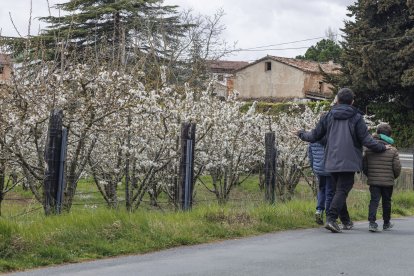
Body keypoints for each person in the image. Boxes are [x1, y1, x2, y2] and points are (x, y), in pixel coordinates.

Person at [295, 87, 387, 233]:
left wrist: (300, 133)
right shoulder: (356, 118)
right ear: (352, 101)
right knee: (343, 190)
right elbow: (366, 140)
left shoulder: (327, 116)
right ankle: (331, 219)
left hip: (331, 160)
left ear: (337, 100)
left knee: (339, 190)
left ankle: (346, 221)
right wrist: (382, 147)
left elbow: (314, 136)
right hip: (349, 161)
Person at [362, 123, 401, 232]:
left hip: (373, 180)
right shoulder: (393, 150)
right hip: (388, 181)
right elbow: (397, 167)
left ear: (377, 133)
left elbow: (364, 165)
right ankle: (386, 223)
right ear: (389, 135)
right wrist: (393, 177)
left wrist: (369, 175)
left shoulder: (369, 149)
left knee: (374, 201)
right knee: (386, 201)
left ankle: (372, 223)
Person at [308, 140, 334, 225]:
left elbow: (310, 156)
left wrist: (314, 168)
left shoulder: (313, 138)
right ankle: (329, 216)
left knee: (321, 189)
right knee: (329, 192)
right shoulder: (331, 137)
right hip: (330, 169)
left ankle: (319, 210)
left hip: (318, 169)